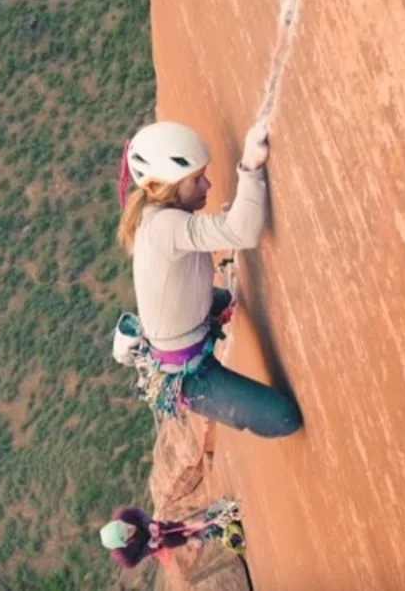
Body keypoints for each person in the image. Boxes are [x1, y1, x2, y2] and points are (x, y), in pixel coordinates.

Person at [115, 120, 302, 438]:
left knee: (224, 298)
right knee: (283, 418)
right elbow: (241, 232)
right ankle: (200, 395)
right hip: (189, 373)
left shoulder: (157, 215)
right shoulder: (165, 227)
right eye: (196, 180)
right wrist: (250, 167)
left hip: (181, 333)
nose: (207, 185)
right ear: (164, 188)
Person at [99, 506, 205, 569]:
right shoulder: (123, 555)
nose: (131, 527)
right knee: (165, 541)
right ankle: (186, 540)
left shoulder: (123, 515)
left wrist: (148, 524)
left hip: (146, 527)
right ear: (125, 542)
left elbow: (138, 513)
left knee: (163, 527)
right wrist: (149, 548)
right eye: (128, 532)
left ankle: (183, 529)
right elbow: (134, 561)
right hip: (146, 544)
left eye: (126, 525)